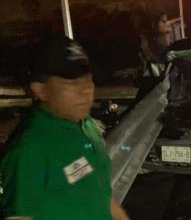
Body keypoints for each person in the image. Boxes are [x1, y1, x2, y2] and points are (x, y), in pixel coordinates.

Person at [0, 35, 130, 220]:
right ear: (41, 90)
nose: (86, 89)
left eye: (88, 80)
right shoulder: (30, 149)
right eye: (72, 83)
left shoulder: (87, 126)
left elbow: (100, 194)